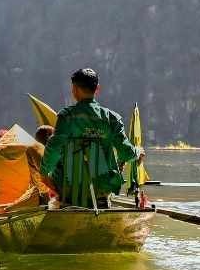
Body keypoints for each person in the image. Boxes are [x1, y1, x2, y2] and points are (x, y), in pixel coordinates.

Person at [39, 68, 144, 208]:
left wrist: (44, 173)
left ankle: (63, 201)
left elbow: (53, 148)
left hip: (68, 191)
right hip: (101, 190)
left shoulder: (66, 117)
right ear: (97, 89)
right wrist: (138, 151)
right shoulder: (112, 119)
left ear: (74, 90)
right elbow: (126, 152)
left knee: (55, 169)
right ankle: (103, 200)